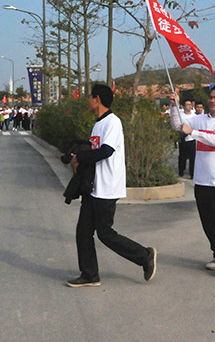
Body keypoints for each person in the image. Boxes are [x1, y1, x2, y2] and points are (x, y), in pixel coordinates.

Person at [67, 84, 156, 287]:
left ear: (96, 99)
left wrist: (81, 156)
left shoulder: (112, 122)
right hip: (94, 187)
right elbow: (95, 151)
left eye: (90, 96)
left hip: (107, 187)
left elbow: (106, 151)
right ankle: (89, 274)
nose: (88, 100)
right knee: (83, 232)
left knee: (105, 233)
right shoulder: (98, 124)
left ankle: (145, 256)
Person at [170, 85, 215, 276]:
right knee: (206, 220)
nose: (212, 101)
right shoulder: (200, 119)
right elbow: (178, 125)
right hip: (202, 179)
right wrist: (174, 105)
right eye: (211, 97)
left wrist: (193, 132)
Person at [178, 99, 197, 178]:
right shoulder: (180, 115)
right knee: (182, 156)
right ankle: (181, 171)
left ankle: (192, 173)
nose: (189, 106)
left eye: (190, 104)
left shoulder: (194, 116)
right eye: (187, 105)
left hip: (191, 139)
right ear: (183, 106)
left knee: (192, 157)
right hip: (183, 138)